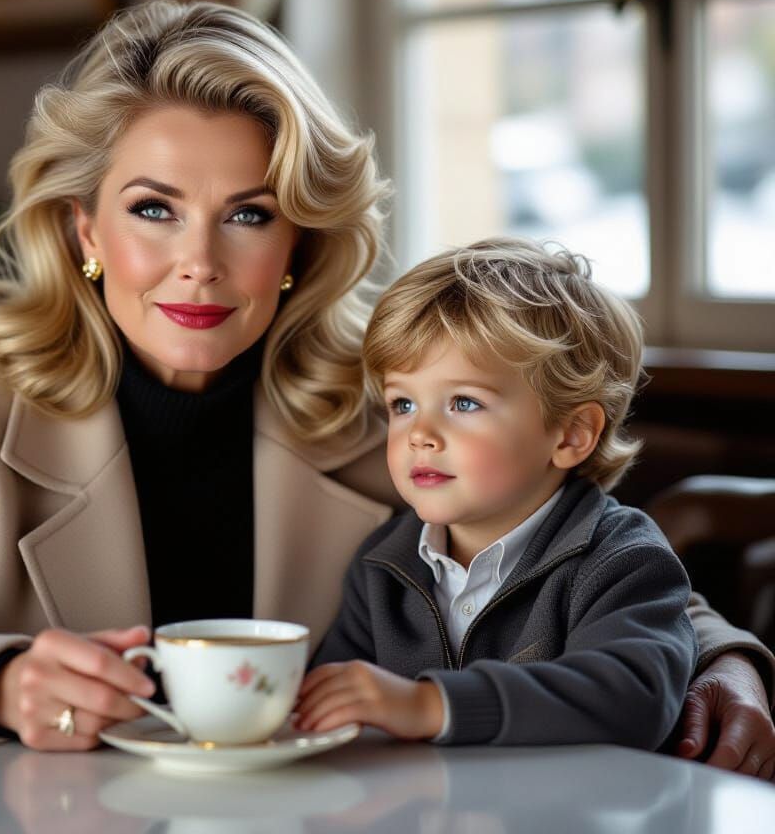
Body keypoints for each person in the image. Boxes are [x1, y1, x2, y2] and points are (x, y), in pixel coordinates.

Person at [0, 0, 775, 775]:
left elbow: (586, 558)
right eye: (153, 209)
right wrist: (1, 682)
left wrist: (724, 657)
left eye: (248, 214)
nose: (199, 264)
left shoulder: (393, 399)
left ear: (300, 239)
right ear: (85, 233)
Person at [297, 238, 697, 750]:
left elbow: (637, 698)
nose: (420, 433)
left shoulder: (621, 557)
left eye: (463, 402)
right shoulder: (382, 565)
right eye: (402, 404)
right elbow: (334, 707)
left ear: (571, 435)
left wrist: (430, 705)